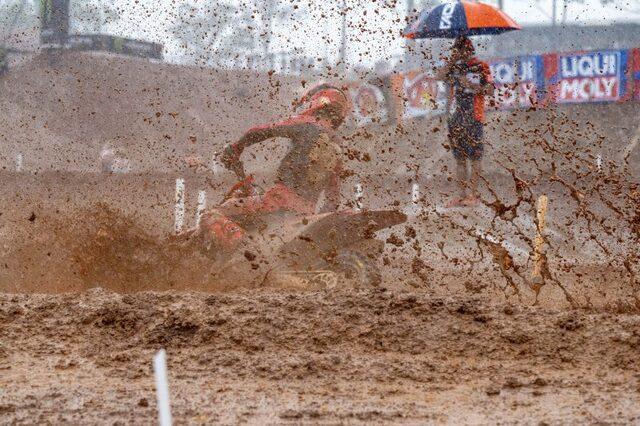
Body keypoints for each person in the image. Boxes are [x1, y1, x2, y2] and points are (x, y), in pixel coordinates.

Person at [200, 83, 350, 249]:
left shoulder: (307, 123)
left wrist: (235, 149)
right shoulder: (338, 146)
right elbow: (333, 199)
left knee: (212, 215)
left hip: (276, 202)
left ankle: (244, 249)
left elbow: (258, 131)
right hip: (305, 216)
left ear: (317, 102)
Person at [436, 36, 494, 207]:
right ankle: (462, 196)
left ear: (469, 50)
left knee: (475, 158)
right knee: (460, 159)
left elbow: (490, 90)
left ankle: (473, 195)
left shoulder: (480, 66)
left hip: (474, 116)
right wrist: (451, 62)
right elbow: (439, 76)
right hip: (455, 117)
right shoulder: (453, 67)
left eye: (459, 50)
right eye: (455, 50)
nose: (457, 53)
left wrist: (472, 85)